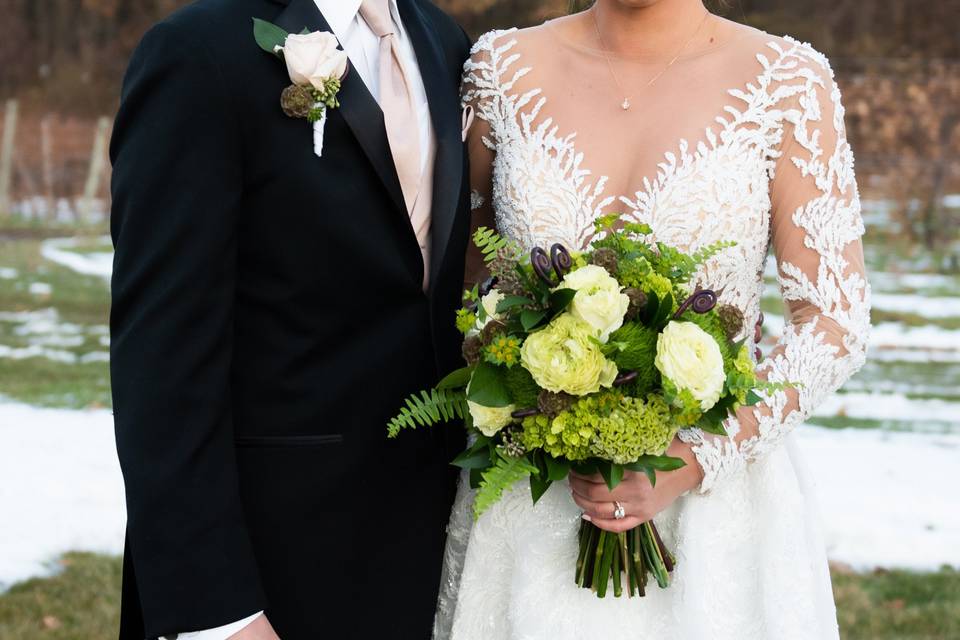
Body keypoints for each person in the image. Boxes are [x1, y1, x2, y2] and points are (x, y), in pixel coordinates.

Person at [437, 0, 871, 638]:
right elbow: (471, 286)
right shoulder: (500, 70)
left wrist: (692, 458)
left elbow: (833, 322)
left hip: (715, 522)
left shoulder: (788, 82)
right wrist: (541, 405)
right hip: (532, 498)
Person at [109, 0, 472, 638]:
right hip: (272, 559)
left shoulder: (444, 41)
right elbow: (160, 362)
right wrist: (219, 614)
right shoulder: (197, 53)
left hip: (428, 550)